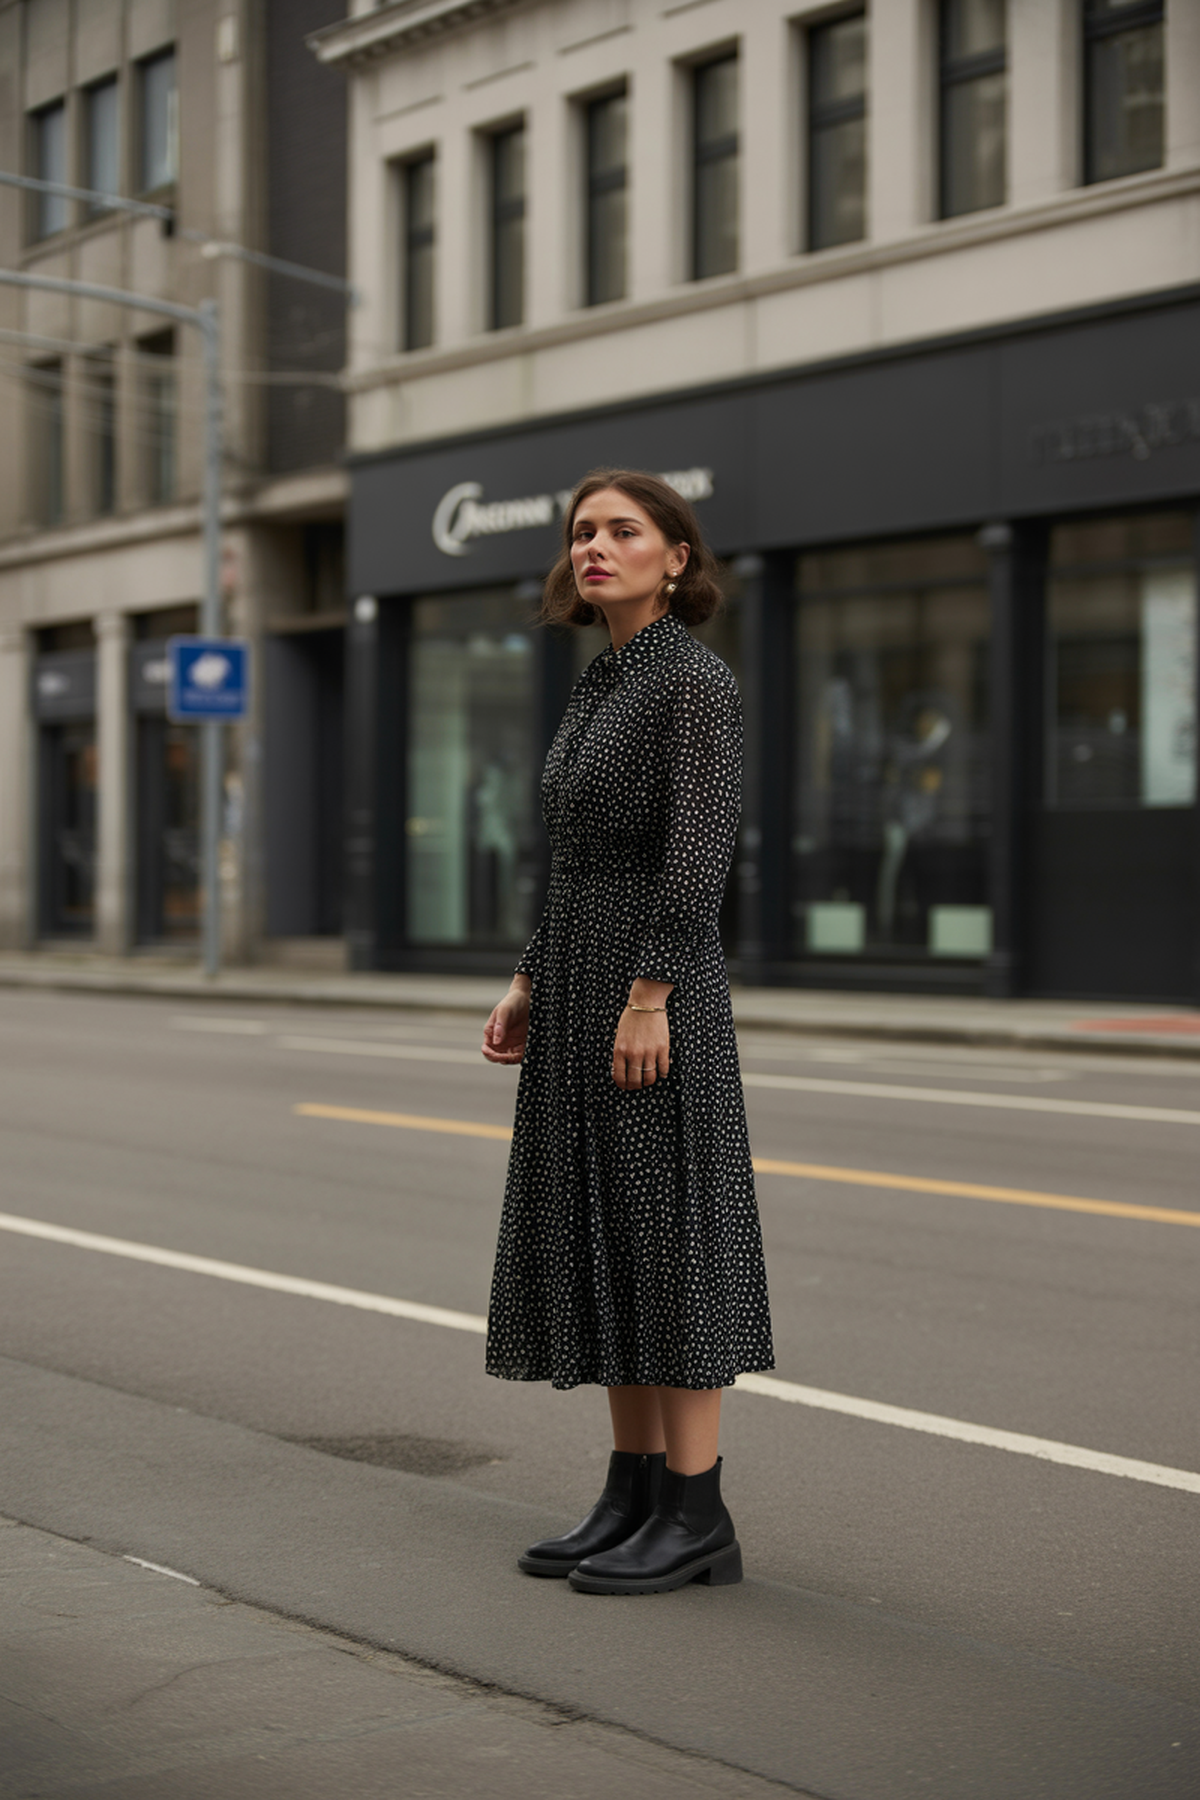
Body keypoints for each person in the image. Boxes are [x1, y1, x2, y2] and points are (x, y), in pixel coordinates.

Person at [481, 468, 774, 1596]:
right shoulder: (602, 680)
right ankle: (634, 1490)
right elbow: (579, 867)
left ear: (676, 557)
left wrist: (647, 994)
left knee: (667, 1241)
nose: (596, 546)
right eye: (582, 532)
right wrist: (525, 981)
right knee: (606, 1237)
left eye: (624, 530)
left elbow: (698, 853)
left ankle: (698, 1513)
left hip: (655, 992)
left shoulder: (692, 681)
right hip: (583, 980)